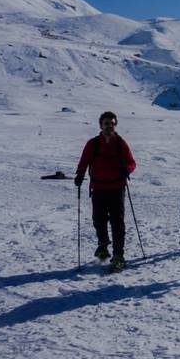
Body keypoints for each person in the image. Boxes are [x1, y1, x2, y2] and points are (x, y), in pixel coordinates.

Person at [74, 111, 136, 272]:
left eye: (112, 123)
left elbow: (132, 163)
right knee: (98, 220)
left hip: (117, 188)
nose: (109, 126)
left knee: (118, 224)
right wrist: (80, 174)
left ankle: (118, 257)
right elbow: (84, 161)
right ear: (101, 125)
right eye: (106, 123)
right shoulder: (93, 144)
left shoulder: (120, 143)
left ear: (115, 125)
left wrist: (127, 170)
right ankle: (103, 244)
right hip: (98, 188)